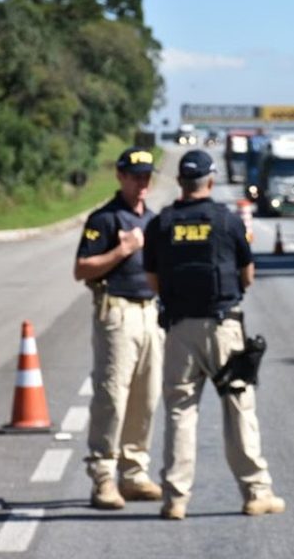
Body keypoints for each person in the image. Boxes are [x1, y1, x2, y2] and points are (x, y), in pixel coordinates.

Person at [142, 149, 284, 520]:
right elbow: (247, 275)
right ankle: (256, 492)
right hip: (223, 327)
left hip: (178, 330)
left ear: (180, 182)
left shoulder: (161, 224)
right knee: (238, 408)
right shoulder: (227, 220)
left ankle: (175, 498)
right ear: (210, 179)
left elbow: (152, 279)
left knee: (180, 413)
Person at [74, 147, 164, 510]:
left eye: (146, 176)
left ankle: (134, 471)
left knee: (147, 395)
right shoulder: (105, 219)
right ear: (120, 177)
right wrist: (121, 251)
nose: (142, 183)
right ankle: (103, 475)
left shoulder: (154, 221)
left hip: (149, 312)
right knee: (112, 394)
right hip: (117, 310)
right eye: (135, 176)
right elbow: (81, 269)